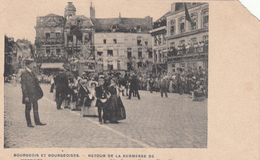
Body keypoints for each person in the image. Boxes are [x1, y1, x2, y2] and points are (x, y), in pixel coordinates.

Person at [20, 58, 46, 127]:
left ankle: (37, 121)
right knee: (28, 108)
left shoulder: (32, 73)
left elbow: (36, 83)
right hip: (28, 94)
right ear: (28, 65)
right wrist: (25, 96)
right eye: (32, 64)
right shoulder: (24, 74)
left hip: (34, 94)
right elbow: (23, 86)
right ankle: (29, 123)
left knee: (36, 108)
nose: (33, 65)